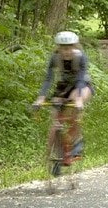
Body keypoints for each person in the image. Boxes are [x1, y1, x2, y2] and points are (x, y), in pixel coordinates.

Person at [33, 30, 93, 162]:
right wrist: (41, 97)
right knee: (56, 117)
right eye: (63, 48)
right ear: (58, 48)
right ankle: (53, 155)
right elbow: (48, 78)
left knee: (74, 104)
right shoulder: (55, 57)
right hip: (63, 87)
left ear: (75, 46)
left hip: (81, 86)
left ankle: (76, 142)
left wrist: (79, 99)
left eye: (70, 48)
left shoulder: (80, 57)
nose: (67, 51)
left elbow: (80, 79)